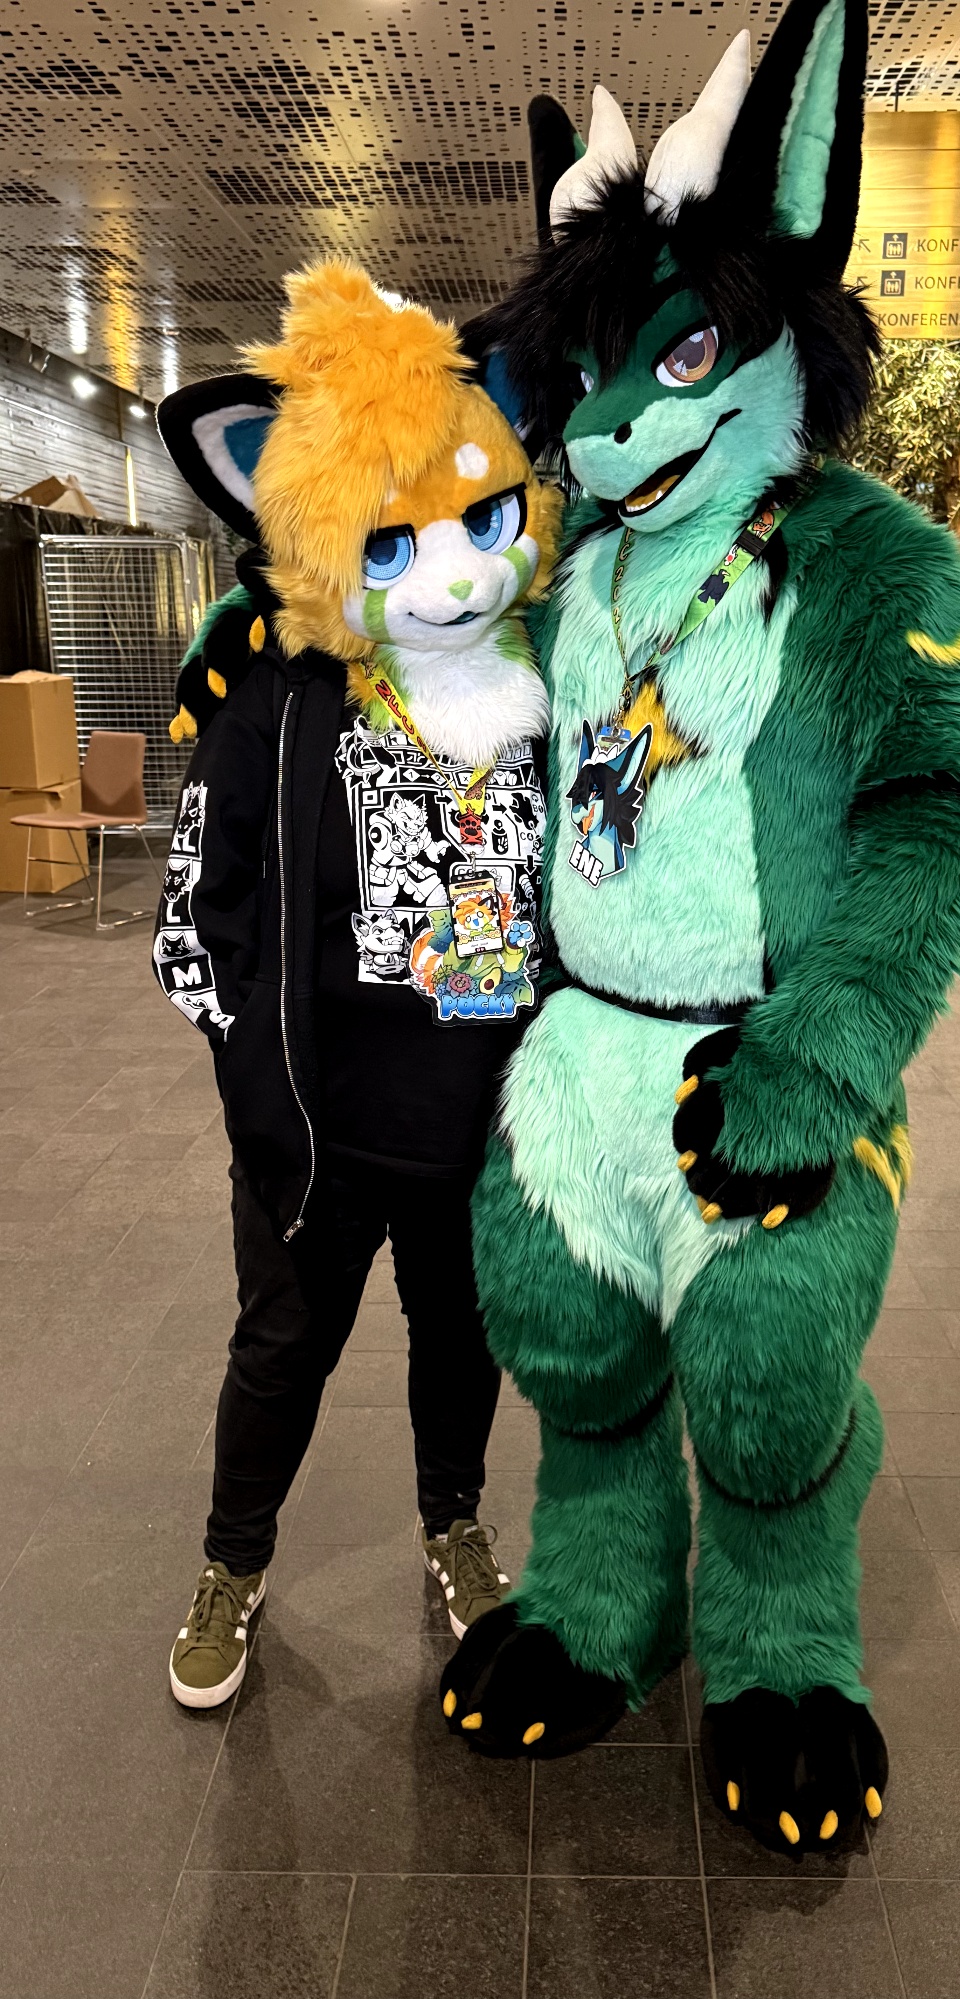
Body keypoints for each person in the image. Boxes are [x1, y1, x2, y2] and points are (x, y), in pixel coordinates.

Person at [439, 0, 960, 1858]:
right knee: (562, 1338)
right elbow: (427, 676)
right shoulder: (572, 575)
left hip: (761, 1058)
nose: (611, 426)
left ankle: (782, 1646)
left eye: (675, 355)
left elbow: (940, 818)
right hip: (586, 1054)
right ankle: (606, 1601)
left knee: (767, 1373)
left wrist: (821, 1057)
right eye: (591, 372)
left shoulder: (863, 558)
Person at [152, 259, 560, 1708]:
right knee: (281, 1354)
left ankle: (454, 1526)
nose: (453, 573)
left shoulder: (542, 690)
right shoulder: (275, 700)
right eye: (392, 544)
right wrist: (254, 1085)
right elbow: (195, 919)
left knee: (460, 1345)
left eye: (480, 524)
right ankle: (232, 1562)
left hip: (481, 1117)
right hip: (320, 1126)